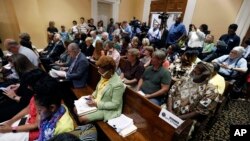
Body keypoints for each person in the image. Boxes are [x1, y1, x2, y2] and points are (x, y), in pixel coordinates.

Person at [0, 69, 47, 141]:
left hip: (32, 131)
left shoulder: (43, 98)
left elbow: (35, 125)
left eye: (29, 85)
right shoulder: (36, 93)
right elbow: (28, 109)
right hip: (27, 120)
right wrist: (10, 122)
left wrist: (10, 129)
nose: (28, 87)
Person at [77, 56, 125, 123]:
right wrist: (93, 95)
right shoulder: (105, 75)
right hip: (96, 102)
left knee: (82, 118)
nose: (100, 72)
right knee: (75, 109)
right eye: (99, 69)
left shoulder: (118, 84)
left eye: (102, 71)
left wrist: (97, 104)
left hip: (107, 109)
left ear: (110, 71)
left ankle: (88, 130)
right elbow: (98, 89)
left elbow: (115, 104)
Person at [0, 54, 40, 123]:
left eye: (13, 67)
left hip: (26, 106)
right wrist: (19, 85)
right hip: (22, 100)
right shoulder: (31, 72)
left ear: (19, 66)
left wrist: (13, 96)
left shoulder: (29, 77)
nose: (12, 69)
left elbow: (29, 102)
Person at [34, 76, 74, 141]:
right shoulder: (55, 109)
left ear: (52, 107)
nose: (38, 113)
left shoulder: (64, 129)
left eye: (39, 110)